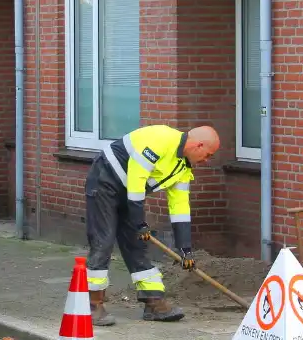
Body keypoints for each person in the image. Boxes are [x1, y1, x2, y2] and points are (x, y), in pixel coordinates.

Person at [84, 124, 220, 325]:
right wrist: (139, 223)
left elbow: (180, 207)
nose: (206, 161)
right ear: (198, 145)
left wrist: (185, 249)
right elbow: (137, 178)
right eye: (207, 155)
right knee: (103, 242)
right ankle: (93, 304)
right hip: (105, 181)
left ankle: (154, 302)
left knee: (138, 246)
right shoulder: (162, 139)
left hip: (130, 194)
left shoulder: (183, 169)